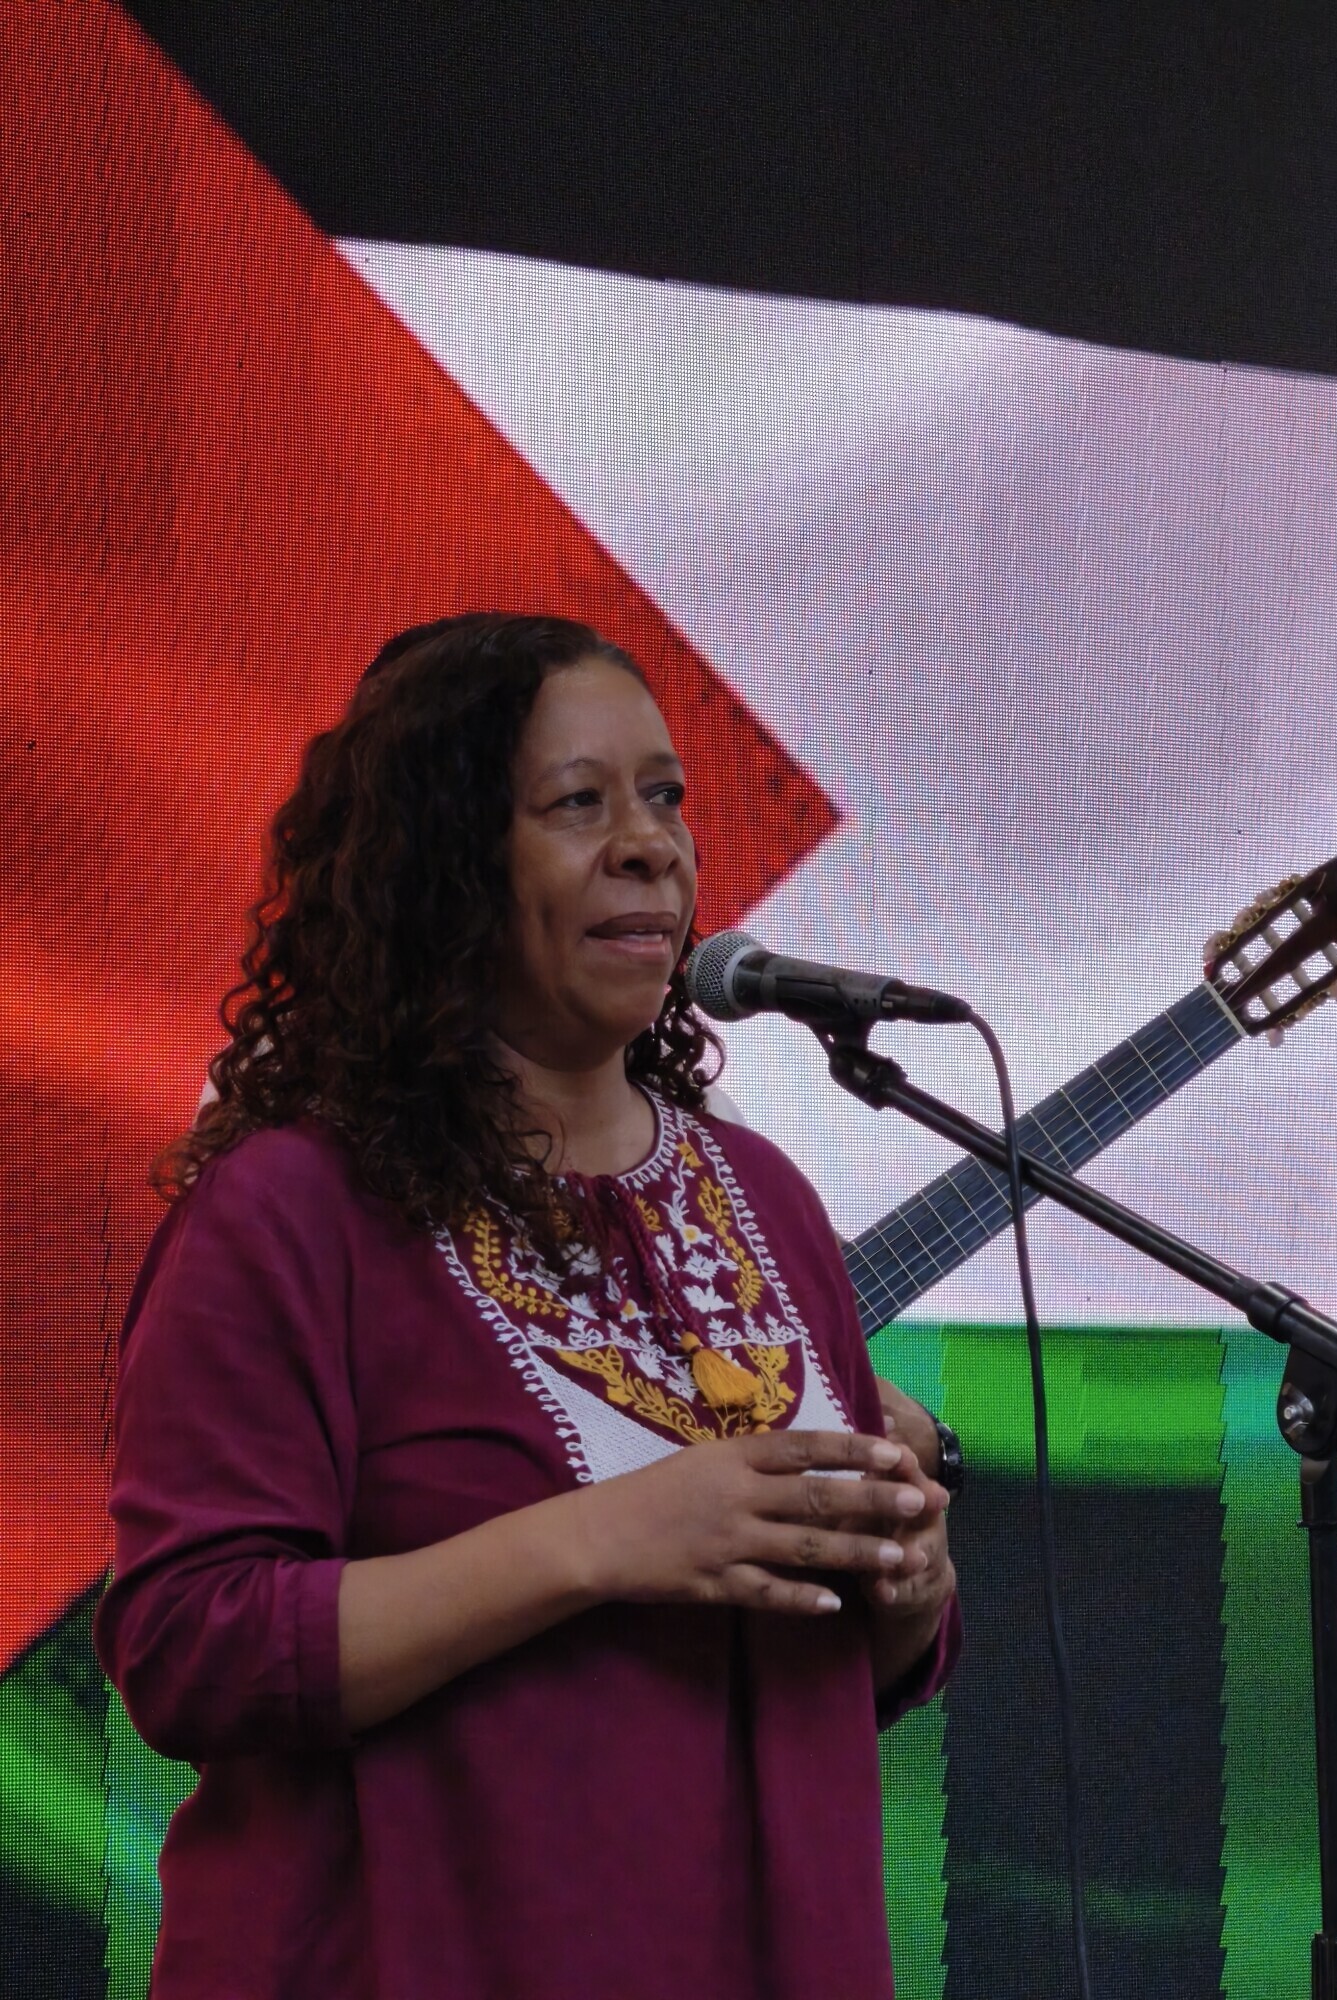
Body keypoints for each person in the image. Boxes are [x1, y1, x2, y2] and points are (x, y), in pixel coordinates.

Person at [96, 613, 960, 1999]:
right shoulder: (291, 1210)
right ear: (445, 865)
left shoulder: (763, 1196)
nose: (650, 844)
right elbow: (190, 1646)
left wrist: (910, 1591)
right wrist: (600, 1541)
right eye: (578, 804)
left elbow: (844, 1668)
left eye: (665, 797)